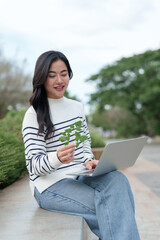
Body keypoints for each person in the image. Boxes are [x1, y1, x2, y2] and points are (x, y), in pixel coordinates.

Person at [22, 50, 140, 240]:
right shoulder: (33, 114)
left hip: (79, 175)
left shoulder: (77, 107)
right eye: (52, 75)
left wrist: (88, 161)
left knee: (118, 180)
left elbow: (84, 144)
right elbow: (33, 166)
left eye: (64, 73)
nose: (59, 80)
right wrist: (57, 158)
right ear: (42, 78)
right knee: (113, 206)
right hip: (50, 185)